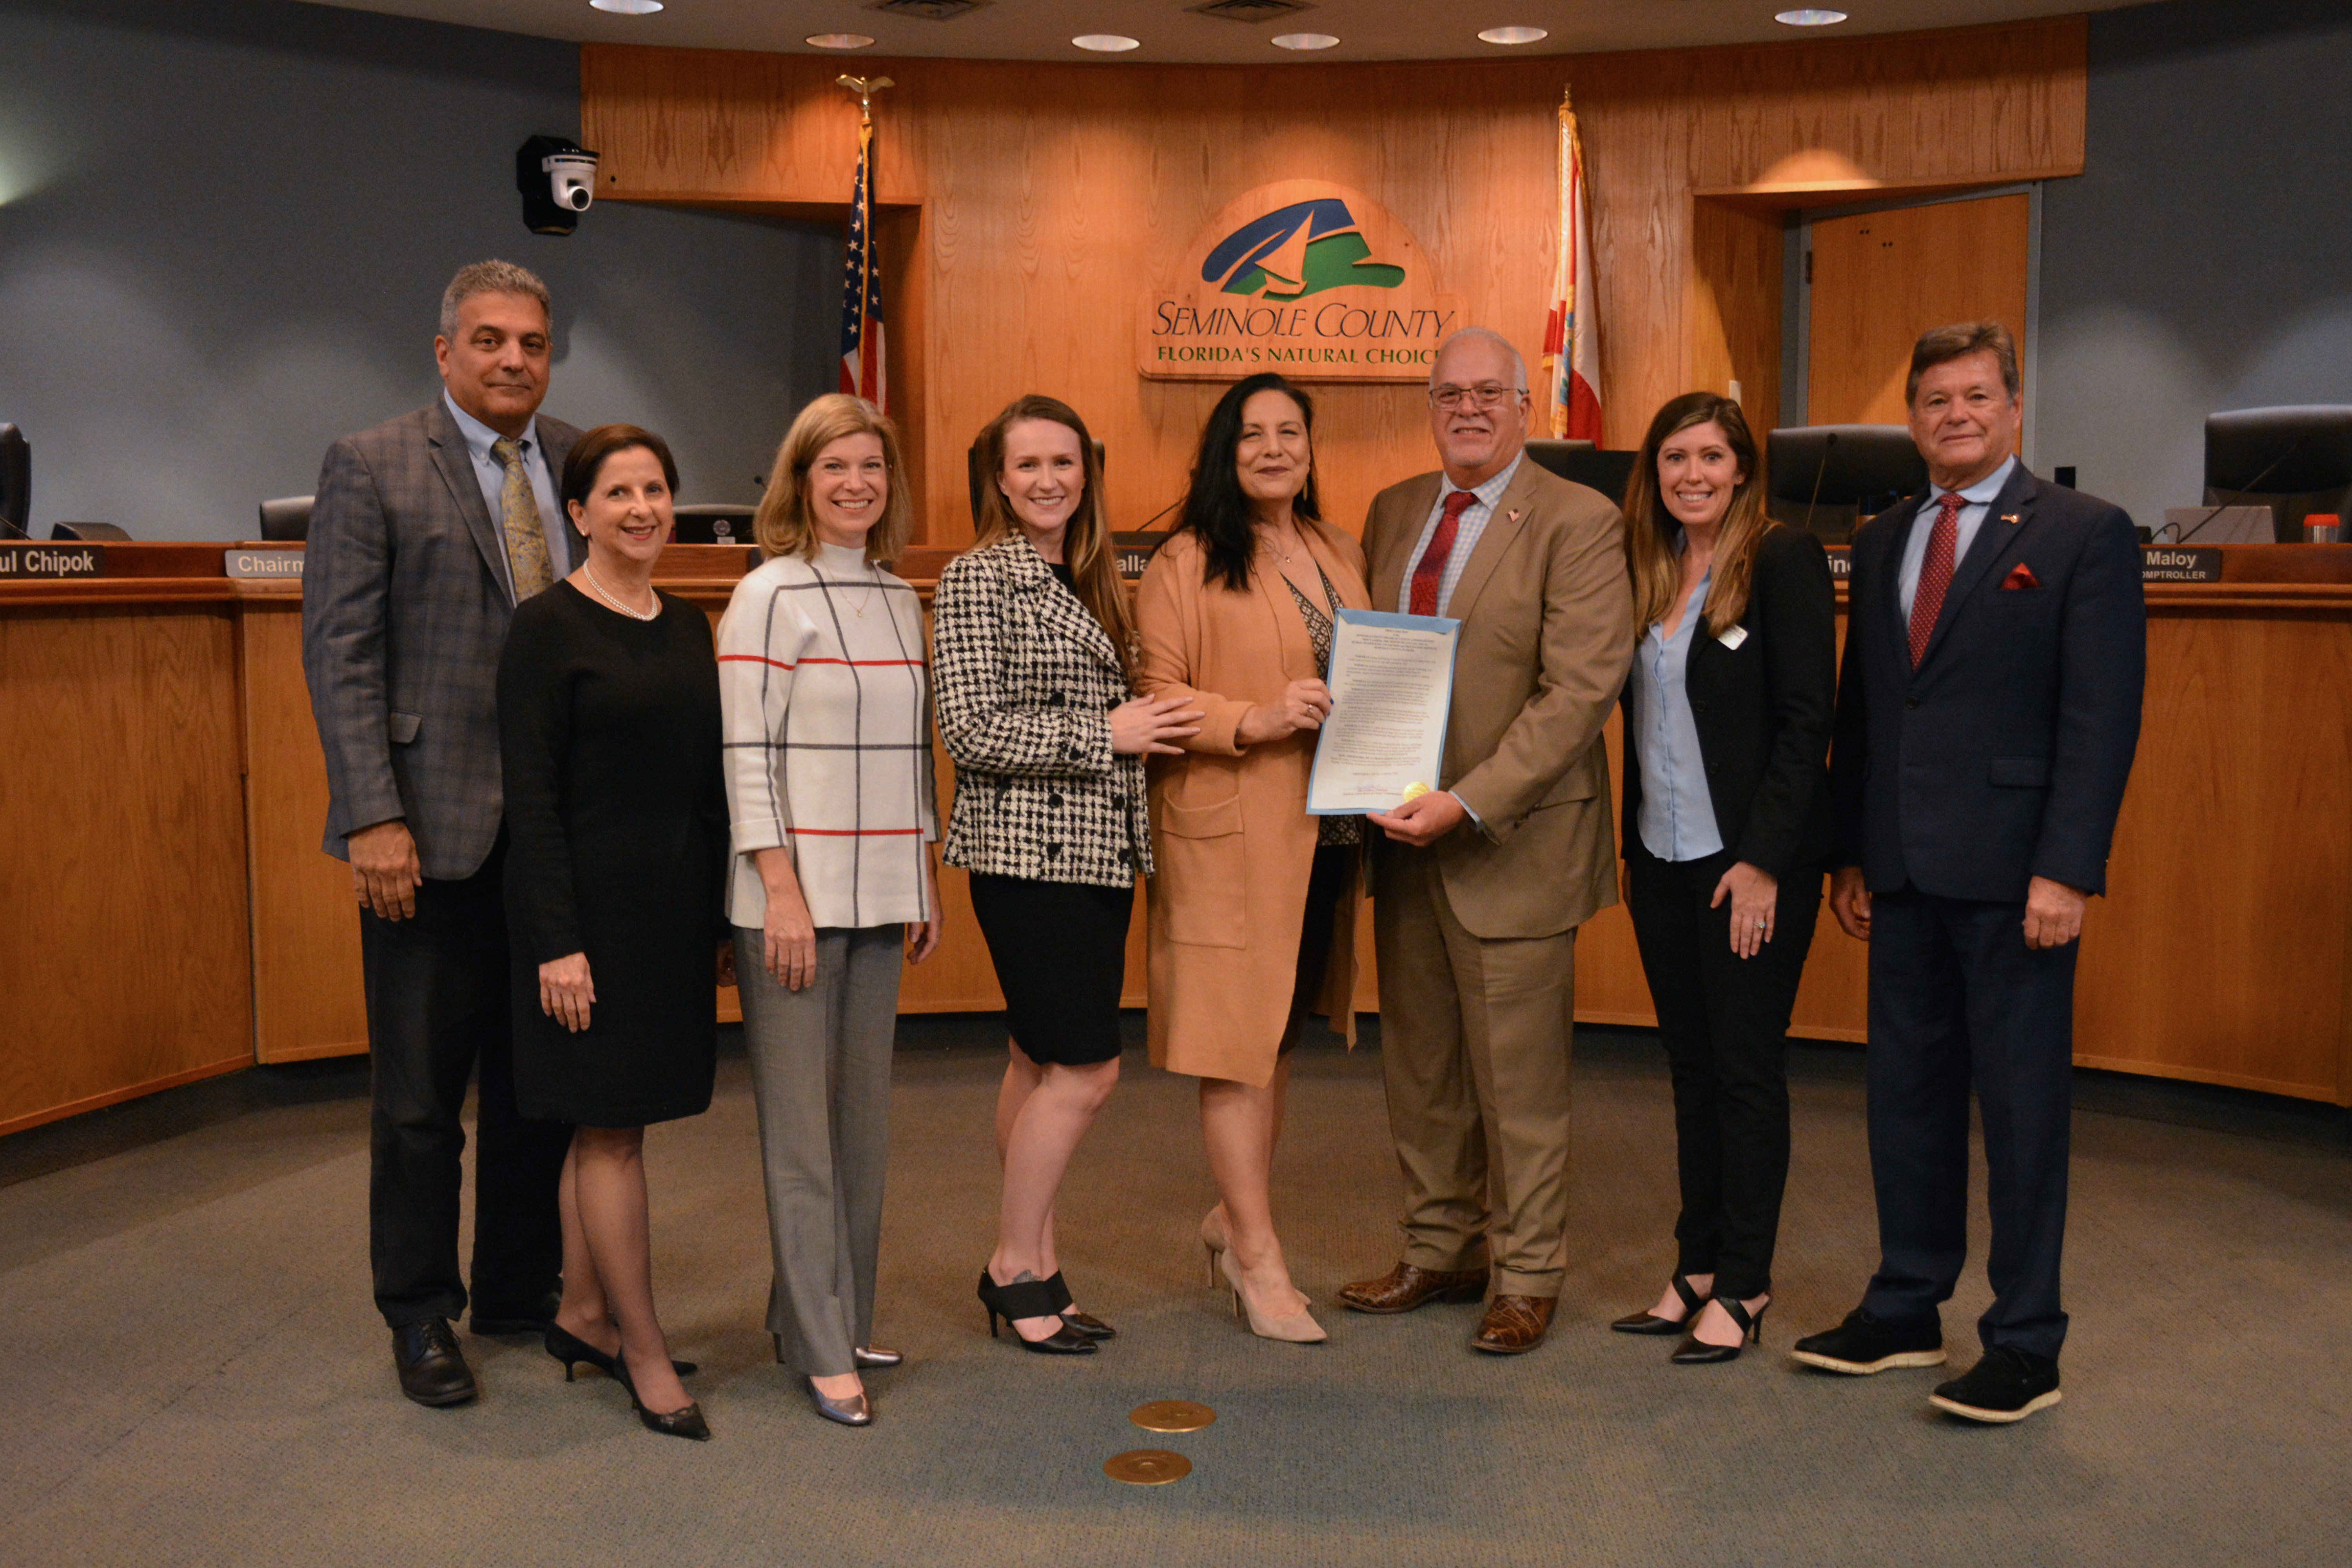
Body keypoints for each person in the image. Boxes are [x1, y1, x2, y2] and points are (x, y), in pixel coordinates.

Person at [1790, 321, 2145, 1424]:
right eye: (1935, 400)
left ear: (2014, 408)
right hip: (1899, 869)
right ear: (1913, 418)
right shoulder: (1890, 534)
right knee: (1906, 1101)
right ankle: (1906, 1306)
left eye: (1976, 397)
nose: (1955, 415)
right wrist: (1849, 848)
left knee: (2024, 1111)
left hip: (2016, 879)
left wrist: (2067, 871)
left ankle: (2026, 1340)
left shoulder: (2085, 533)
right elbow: (1866, 707)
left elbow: (2100, 719)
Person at [302, 259, 581, 1407]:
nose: (512, 358)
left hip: (554, 841)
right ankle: (419, 1314)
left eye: (530, 340)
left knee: (538, 1088)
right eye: (488, 340)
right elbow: (341, 652)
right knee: (421, 1102)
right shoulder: (371, 465)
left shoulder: (581, 460)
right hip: (428, 833)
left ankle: (520, 1291)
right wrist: (372, 813)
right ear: (445, 351)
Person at [1336, 327, 1634, 1356]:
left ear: (1524, 404)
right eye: (1447, 393)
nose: (1467, 408)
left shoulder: (1579, 520)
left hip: (1508, 843)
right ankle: (1439, 1249)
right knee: (1419, 1069)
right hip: (1401, 837)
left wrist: (1466, 801)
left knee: (1519, 1084)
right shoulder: (1394, 511)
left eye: (1487, 393)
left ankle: (1527, 1273)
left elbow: (1580, 692)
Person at [933, 396, 1200, 1355]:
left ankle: (1039, 1258)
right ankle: (1011, 1266)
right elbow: (967, 727)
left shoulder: (1096, 575)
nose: (1048, 479)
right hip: (1027, 857)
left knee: (1036, 1061)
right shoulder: (977, 576)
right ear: (999, 480)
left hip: (1101, 853)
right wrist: (1106, 731)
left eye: (1064, 462)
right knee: (1088, 1068)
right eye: (1028, 464)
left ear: (1086, 471)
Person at [497, 423, 726, 1440]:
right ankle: (641, 1348)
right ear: (578, 514)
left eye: (657, 490)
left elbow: (705, 786)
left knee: (615, 1127)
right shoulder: (545, 628)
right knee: (608, 1131)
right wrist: (556, 939)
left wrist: (722, 919)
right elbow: (532, 800)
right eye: (619, 493)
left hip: (669, 922)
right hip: (582, 929)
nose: (643, 508)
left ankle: (584, 1315)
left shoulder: (689, 625)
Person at [719, 394, 942, 1428]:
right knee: (802, 1135)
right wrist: (778, 888)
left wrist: (923, 879)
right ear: (799, 482)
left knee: (862, 1127)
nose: (856, 484)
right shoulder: (768, 593)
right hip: (790, 904)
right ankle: (817, 1343)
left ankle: (830, 1310)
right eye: (834, 468)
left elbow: (909, 757)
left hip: (880, 893)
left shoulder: (901, 598)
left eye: (872, 467)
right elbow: (744, 756)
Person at [1136, 372, 1372, 1346]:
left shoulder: (1337, 549)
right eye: (1252, 435)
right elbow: (1158, 697)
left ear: (1311, 448)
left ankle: (1235, 1219)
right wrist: (1257, 717)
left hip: (1325, 834)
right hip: (1231, 835)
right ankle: (1258, 1256)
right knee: (1238, 1046)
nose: (1274, 448)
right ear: (1223, 454)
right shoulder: (1184, 561)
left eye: (1290, 432)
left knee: (1276, 1039)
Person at [1606, 393, 1837, 1365]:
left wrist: (1763, 861)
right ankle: (1695, 1263)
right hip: (1661, 860)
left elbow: (1806, 722)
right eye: (1673, 458)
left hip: (1746, 868)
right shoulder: (1646, 567)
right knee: (1691, 1070)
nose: (1691, 474)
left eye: (1710, 456)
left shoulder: (1782, 559)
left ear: (1742, 467)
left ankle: (1745, 1280)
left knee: (1745, 1072)